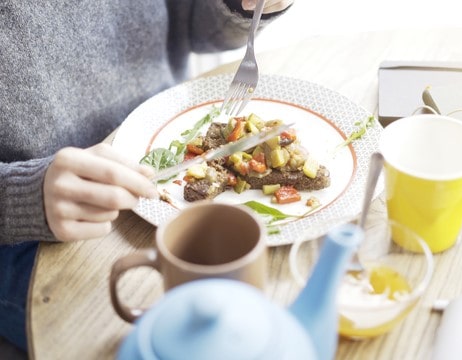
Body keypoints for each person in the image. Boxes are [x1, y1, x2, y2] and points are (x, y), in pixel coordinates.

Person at [0, 0, 293, 354]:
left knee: (276, 305)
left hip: (165, 145)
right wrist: (21, 196)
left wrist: (242, 6)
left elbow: (195, 24)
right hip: (33, 237)